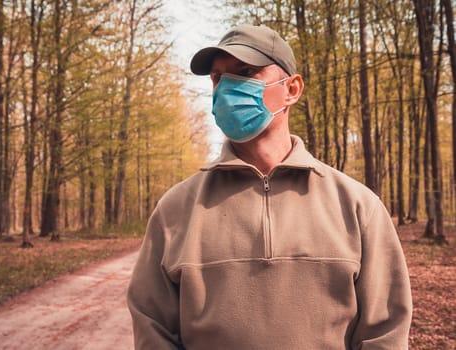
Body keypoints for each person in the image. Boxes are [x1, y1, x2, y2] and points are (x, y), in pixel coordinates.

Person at [127, 24, 412, 349]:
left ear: (291, 89)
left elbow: (385, 332)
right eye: (218, 78)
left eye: (245, 72)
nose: (226, 89)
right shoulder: (176, 208)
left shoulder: (357, 206)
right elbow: (152, 328)